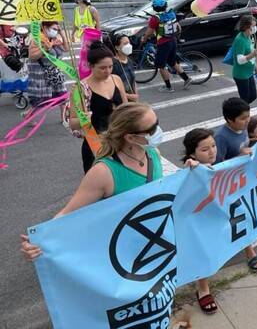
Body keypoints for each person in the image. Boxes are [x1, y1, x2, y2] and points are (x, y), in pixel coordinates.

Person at [20, 102, 164, 261]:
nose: (158, 130)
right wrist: (39, 241)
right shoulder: (104, 172)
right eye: (152, 129)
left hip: (150, 245)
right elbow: (67, 214)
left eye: (157, 123)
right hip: (121, 251)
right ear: (130, 137)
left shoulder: (153, 154)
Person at [214, 97, 257, 272]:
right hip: (228, 186)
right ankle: (249, 252)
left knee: (247, 212)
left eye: (248, 116)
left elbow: (245, 146)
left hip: (243, 180)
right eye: (243, 118)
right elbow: (215, 167)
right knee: (239, 216)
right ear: (230, 119)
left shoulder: (242, 129)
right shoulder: (221, 137)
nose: (247, 121)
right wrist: (239, 157)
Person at [68, 41, 128, 173]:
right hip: (96, 145)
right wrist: (83, 119)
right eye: (102, 68)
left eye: (110, 66)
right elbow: (72, 123)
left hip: (120, 141)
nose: (108, 71)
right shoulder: (81, 88)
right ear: (90, 65)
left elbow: (126, 109)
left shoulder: (116, 79)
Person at [181, 128, 219, 314]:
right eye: (205, 149)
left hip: (214, 214)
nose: (212, 151)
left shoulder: (218, 164)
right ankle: (203, 288)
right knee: (201, 249)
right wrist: (187, 170)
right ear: (192, 154)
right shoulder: (191, 171)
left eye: (213, 146)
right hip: (196, 219)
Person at [141, 0, 192, 93]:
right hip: (173, 41)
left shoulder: (154, 18)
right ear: (165, 5)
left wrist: (144, 38)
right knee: (172, 62)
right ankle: (186, 79)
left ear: (154, 7)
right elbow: (179, 27)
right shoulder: (171, 14)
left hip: (163, 43)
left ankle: (168, 87)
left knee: (161, 65)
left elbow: (149, 32)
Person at [24, 21, 68, 123]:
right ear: (44, 28)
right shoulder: (37, 39)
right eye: (54, 29)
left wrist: (62, 35)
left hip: (54, 71)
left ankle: (64, 118)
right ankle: (28, 115)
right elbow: (32, 56)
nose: (55, 31)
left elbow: (65, 49)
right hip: (40, 73)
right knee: (41, 99)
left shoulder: (53, 38)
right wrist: (45, 48)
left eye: (57, 29)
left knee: (62, 94)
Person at [231, 16, 257, 104]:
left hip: (249, 72)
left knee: (253, 96)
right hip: (241, 74)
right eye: (253, 26)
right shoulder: (240, 40)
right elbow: (240, 60)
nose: (255, 28)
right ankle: (240, 111)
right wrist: (253, 54)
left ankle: (241, 109)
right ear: (247, 27)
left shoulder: (248, 36)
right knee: (245, 99)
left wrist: (255, 67)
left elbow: (250, 52)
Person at [111, 34, 138, 102]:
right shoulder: (113, 64)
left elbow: (133, 81)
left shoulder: (129, 61)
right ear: (117, 47)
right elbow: (111, 87)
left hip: (132, 100)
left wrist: (135, 96)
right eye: (125, 44)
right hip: (120, 101)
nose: (129, 46)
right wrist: (128, 96)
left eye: (129, 43)